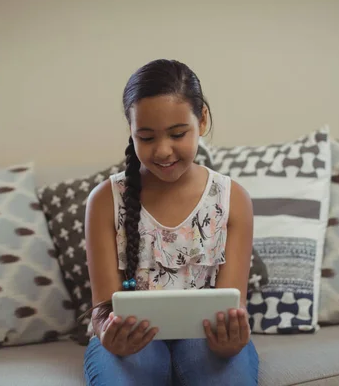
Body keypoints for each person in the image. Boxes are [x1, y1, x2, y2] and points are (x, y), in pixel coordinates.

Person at [82, 59, 258, 386]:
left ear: (202, 119)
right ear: (131, 132)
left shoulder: (233, 199)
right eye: (146, 137)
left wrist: (231, 337)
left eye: (178, 134)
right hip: (131, 341)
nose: (163, 151)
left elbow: (233, 304)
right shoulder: (106, 200)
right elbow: (103, 307)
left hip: (208, 340)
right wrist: (108, 333)